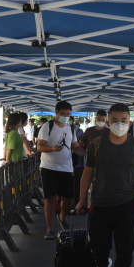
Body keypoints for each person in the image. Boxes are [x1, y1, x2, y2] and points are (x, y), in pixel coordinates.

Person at [75, 103, 134, 267]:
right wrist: (82, 200)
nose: (120, 124)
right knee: (97, 245)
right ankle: (103, 265)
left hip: (127, 203)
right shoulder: (97, 144)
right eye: (115, 120)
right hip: (100, 203)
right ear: (108, 123)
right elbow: (87, 172)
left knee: (125, 248)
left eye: (124, 120)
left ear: (130, 122)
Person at [36, 101, 87, 239]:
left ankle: (62, 217)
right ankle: (49, 228)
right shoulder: (48, 126)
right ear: (56, 113)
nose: (65, 116)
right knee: (50, 197)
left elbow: (75, 147)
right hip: (49, 167)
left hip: (66, 168)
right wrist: (52, 148)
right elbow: (39, 147)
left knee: (69, 198)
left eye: (68, 114)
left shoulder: (70, 128)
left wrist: (87, 153)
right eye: (63, 113)